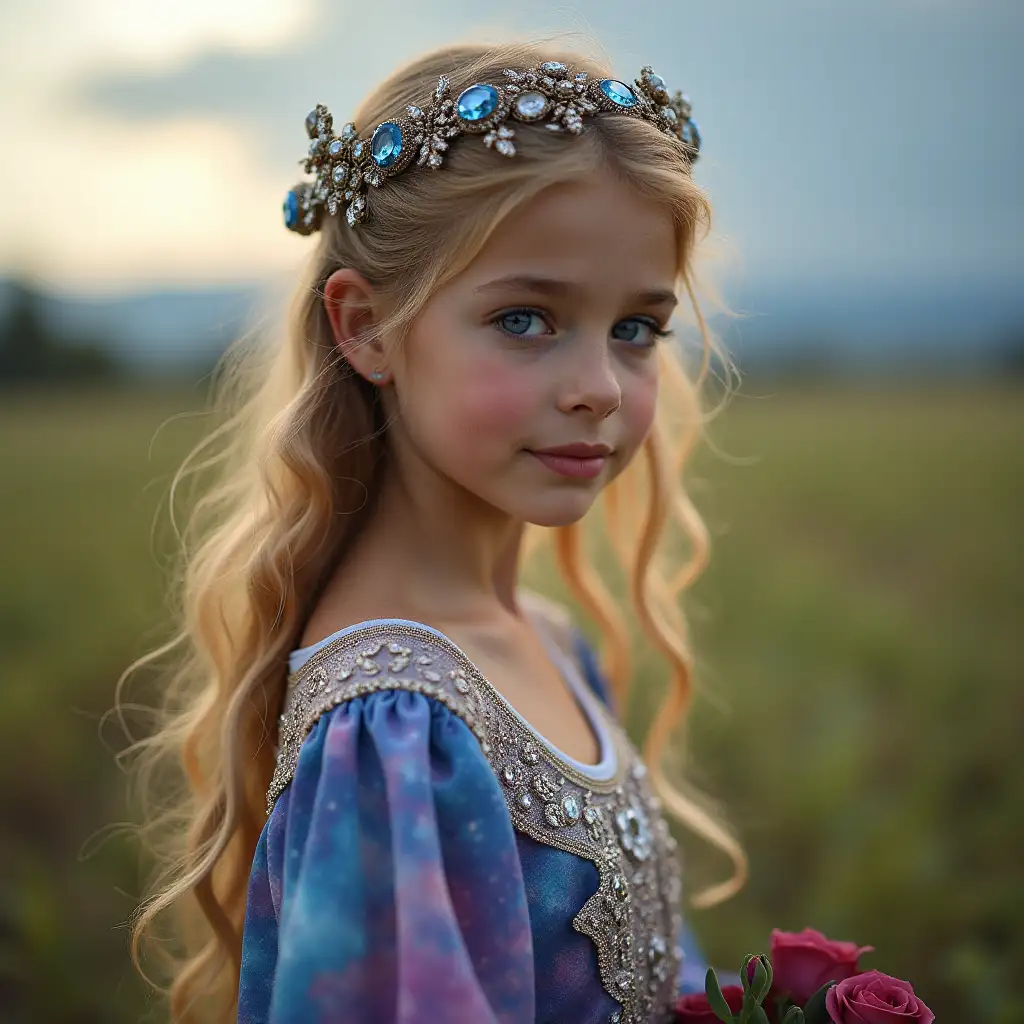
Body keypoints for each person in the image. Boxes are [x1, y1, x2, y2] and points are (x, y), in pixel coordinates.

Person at [124, 37, 749, 1024]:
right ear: (366, 327)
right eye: (525, 319)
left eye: (635, 328)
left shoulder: (546, 642)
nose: (597, 387)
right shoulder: (395, 732)